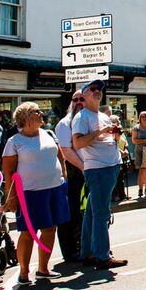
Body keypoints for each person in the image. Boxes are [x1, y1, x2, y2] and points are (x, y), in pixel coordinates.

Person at [2, 102, 69, 284]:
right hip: (30, 192)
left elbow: (61, 159)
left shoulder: (49, 134)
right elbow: (8, 171)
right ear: (25, 118)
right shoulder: (15, 141)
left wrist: (64, 180)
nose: (41, 113)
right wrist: (11, 195)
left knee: (50, 228)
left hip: (54, 188)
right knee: (28, 232)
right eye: (35, 111)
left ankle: (43, 269)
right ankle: (24, 273)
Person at [70, 81, 126, 270]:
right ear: (84, 95)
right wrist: (99, 132)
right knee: (101, 213)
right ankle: (102, 256)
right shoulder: (81, 117)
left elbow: (108, 139)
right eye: (92, 89)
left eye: (99, 89)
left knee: (93, 213)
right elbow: (77, 143)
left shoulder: (103, 115)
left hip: (111, 165)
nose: (97, 92)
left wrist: (115, 136)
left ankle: (88, 253)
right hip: (98, 168)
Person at [52, 92, 85, 263]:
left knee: (84, 212)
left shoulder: (88, 121)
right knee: (70, 212)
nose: (79, 102)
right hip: (72, 171)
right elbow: (66, 151)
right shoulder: (65, 123)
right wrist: (83, 167)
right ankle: (70, 250)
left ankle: (84, 246)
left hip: (87, 170)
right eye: (75, 100)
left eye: (82, 99)